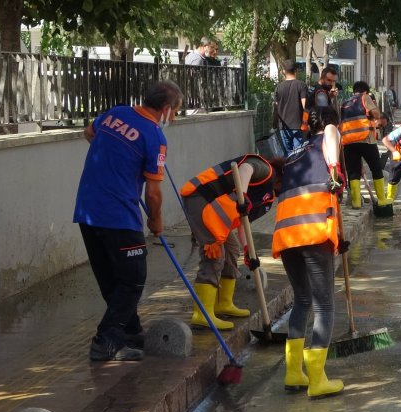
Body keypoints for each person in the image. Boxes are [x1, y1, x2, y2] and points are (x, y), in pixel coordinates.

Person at [74, 80, 183, 362]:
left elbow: (89, 132)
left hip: (87, 210)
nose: (174, 118)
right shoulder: (154, 137)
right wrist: (156, 222)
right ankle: (106, 339)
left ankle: (130, 331)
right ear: (166, 109)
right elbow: (154, 193)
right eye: (176, 112)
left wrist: (117, 160)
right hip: (118, 216)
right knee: (134, 278)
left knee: (111, 279)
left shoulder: (116, 113)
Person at [272, 106, 347, 399]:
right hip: (314, 231)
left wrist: (340, 235)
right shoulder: (329, 135)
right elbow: (330, 137)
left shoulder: (294, 154)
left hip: (287, 233)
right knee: (324, 306)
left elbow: (324, 197)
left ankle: (293, 374)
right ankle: (317, 380)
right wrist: (333, 169)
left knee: (301, 301)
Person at [179, 154, 284, 330]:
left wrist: (249, 252)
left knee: (232, 249)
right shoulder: (266, 169)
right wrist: (241, 195)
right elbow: (245, 168)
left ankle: (223, 303)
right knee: (214, 254)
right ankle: (202, 314)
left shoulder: (267, 200)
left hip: (215, 211)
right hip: (201, 198)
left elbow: (244, 223)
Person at [340, 81, 392, 209]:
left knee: (353, 172)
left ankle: (356, 202)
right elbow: (376, 115)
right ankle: (381, 200)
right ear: (365, 91)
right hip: (366, 139)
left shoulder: (345, 103)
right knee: (376, 169)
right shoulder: (365, 97)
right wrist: (372, 108)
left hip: (348, 142)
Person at [273, 60, 307, 154]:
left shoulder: (278, 87)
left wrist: (274, 124)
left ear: (283, 71)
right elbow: (305, 106)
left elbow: (276, 107)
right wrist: (307, 123)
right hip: (298, 125)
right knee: (298, 154)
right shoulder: (301, 85)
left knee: (287, 155)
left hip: (284, 127)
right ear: (296, 71)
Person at [301, 66, 339, 136]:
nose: (332, 83)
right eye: (329, 80)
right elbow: (324, 113)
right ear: (322, 78)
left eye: (334, 81)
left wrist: (330, 96)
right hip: (317, 129)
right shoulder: (321, 92)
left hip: (309, 126)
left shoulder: (315, 87)